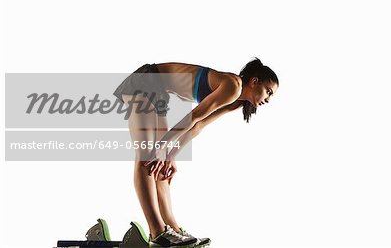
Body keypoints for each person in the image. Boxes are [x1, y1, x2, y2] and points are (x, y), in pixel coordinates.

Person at [113, 57, 279, 247]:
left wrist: (170, 156)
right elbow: (195, 116)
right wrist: (161, 148)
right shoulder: (233, 85)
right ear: (254, 81)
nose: (269, 99)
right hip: (146, 81)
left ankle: (172, 228)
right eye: (269, 91)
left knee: (161, 166)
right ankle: (157, 232)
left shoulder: (236, 102)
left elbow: (198, 126)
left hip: (157, 92)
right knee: (148, 156)